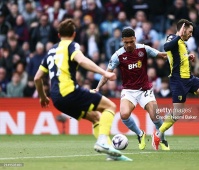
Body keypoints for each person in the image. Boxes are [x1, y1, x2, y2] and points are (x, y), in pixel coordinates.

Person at [34, 19, 132, 161]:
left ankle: (111, 153)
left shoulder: (51, 51)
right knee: (110, 106)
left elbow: (37, 78)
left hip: (56, 98)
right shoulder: (72, 45)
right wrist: (104, 73)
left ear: (58, 34)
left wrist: (43, 97)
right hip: (69, 92)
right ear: (74, 34)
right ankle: (103, 142)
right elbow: (82, 61)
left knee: (95, 117)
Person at [152, 19, 199, 150]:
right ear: (183, 29)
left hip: (189, 78)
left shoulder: (183, 43)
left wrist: (187, 57)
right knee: (178, 113)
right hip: (178, 80)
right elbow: (166, 48)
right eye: (189, 32)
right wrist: (179, 34)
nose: (191, 34)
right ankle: (158, 133)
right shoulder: (172, 37)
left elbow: (177, 57)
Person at [95, 28, 170, 151]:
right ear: (122, 41)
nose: (129, 45)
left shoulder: (143, 49)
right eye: (126, 42)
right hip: (129, 90)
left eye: (131, 41)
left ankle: (162, 139)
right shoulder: (117, 56)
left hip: (145, 89)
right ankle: (140, 134)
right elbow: (107, 74)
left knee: (155, 116)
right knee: (124, 114)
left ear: (135, 39)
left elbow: (162, 55)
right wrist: (98, 88)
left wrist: (183, 57)